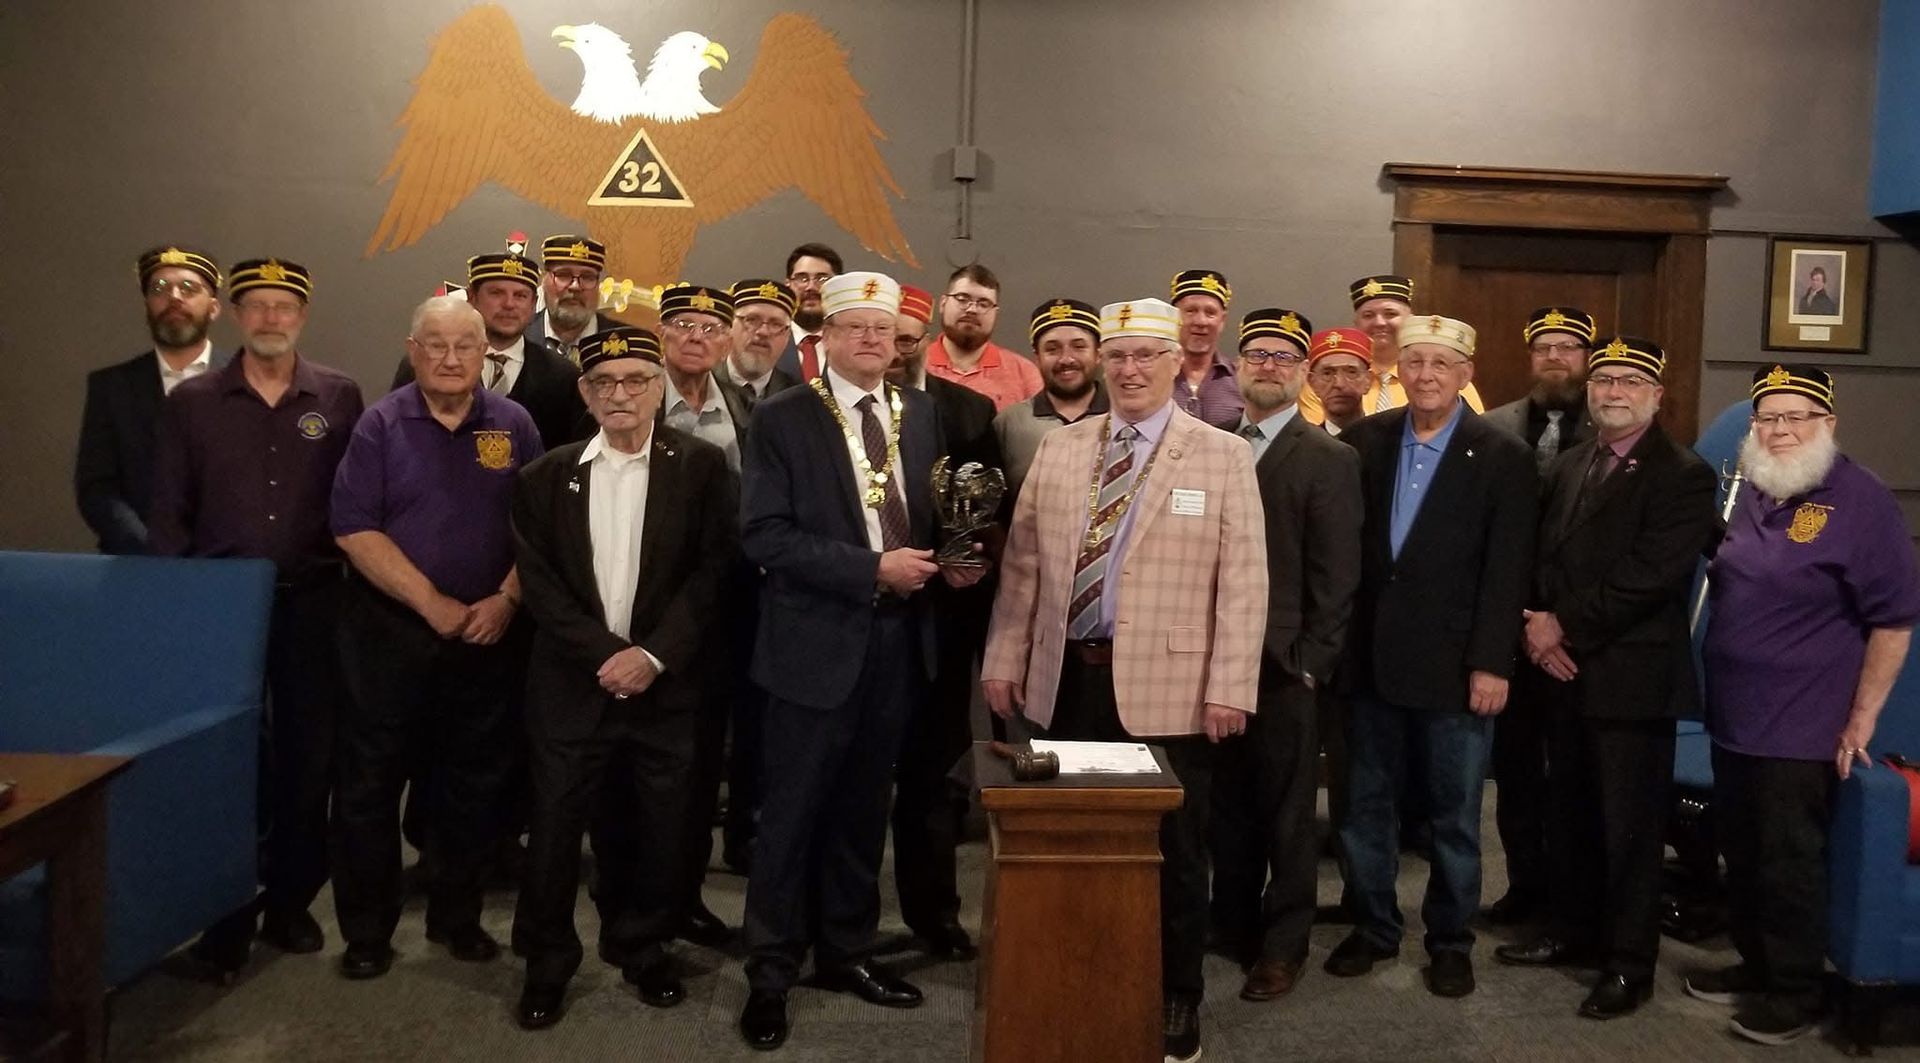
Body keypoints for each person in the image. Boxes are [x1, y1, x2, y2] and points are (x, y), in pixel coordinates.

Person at [982, 296, 1266, 1063]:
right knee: (1071, 838)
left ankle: (1177, 993)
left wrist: (1231, 684)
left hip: (1173, 690)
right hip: (1067, 678)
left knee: (1175, 852)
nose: (1130, 370)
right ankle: (1081, 973)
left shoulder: (1221, 454)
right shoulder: (1061, 447)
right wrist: (1003, 657)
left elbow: (1244, 582)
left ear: (1177, 363)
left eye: (1146, 355)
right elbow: (1023, 566)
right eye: (1118, 356)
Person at [735, 271, 986, 1051]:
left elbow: (931, 514)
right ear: (826, 338)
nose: (873, 340)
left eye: (884, 328)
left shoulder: (922, 413)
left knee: (861, 808)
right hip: (814, 641)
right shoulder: (783, 416)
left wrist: (956, 558)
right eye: (856, 327)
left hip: (900, 642)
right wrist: (870, 567)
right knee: (790, 814)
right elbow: (764, 534)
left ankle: (846, 948)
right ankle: (770, 970)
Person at [508, 326, 737, 1029]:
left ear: (658, 387)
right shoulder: (544, 476)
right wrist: (606, 654)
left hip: (664, 687)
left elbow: (713, 573)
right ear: (585, 392)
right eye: (604, 382)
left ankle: (641, 945)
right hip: (571, 686)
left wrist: (652, 656)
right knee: (553, 832)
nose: (620, 394)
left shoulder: (701, 468)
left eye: (636, 380)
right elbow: (540, 586)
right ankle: (547, 962)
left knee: (658, 828)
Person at [148, 256, 365, 974]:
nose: (272, 318)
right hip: (220, 606)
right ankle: (223, 914)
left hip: (313, 601)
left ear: (302, 315)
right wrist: (177, 610)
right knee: (227, 762)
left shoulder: (338, 395)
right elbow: (168, 512)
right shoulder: (194, 402)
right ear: (237, 315)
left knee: (308, 759)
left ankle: (290, 903)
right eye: (258, 305)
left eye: (285, 306)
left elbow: (356, 502)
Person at [1692, 364, 1920, 1045]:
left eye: (1797, 417)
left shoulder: (1861, 500)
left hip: (1802, 725)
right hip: (1734, 717)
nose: (1781, 429)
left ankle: (1795, 991)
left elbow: (1894, 620)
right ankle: (1757, 964)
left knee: (1788, 862)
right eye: (1769, 417)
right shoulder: (1755, 487)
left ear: (1828, 423)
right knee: (1743, 851)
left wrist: (1863, 718)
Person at [1493, 337, 1717, 1019]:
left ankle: (1627, 964)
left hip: (1631, 680)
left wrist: (1562, 626)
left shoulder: (1684, 474)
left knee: (1629, 832)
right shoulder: (1570, 462)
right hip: (1561, 673)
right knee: (1569, 816)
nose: (1614, 392)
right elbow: (1542, 556)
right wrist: (1535, 628)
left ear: (1657, 395)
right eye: (1604, 380)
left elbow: (1650, 576)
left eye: (1630, 381)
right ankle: (1573, 930)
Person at [328, 295, 544, 980]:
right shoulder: (380, 424)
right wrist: (432, 603)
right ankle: (367, 931)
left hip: (487, 635)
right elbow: (353, 526)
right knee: (369, 786)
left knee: (471, 786)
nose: (451, 359)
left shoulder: (514, 424)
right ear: (413, 350)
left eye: (465, 346)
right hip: (390, 635)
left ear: (485, 353)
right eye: (436, 345)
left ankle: (458, 917)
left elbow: (543, 528)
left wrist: (507, 598)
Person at [1325, 314, 1535, 1000]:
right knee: (1364, 807)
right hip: (1370, 663)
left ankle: (1450, 940)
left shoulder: (1502, 454)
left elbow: (1507, 570)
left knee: (1454, 815)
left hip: (1457, 669)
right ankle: (1373, 927)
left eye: (1441, 364)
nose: (1425, 376)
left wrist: (1493, 663)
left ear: (1465, 375)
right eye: (1415, 362)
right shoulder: (1365, 441)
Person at [1207, 308, 1363, 1002]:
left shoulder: (1329, 457)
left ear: (1303, 372)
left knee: (1289, 813)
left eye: (1282, 357)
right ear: (1238, 366)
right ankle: (1232, 921)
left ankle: (1284, 943)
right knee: (1226, 803)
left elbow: (1339, 573)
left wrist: (1311, 661)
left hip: (1284, 664)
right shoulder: (1210, 444)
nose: (1268, 366)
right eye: (1257, 354)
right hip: (1210, 658)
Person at [886, 283, 998, 960]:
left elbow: (983, 511)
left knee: (932, 781)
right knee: (851, 782)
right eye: (885, 337)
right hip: (858, 620)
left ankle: (935, 916)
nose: (896, 351)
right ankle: (841, 923)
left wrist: (969, 560)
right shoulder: (818, 411)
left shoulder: (968, 409)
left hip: (942, 626)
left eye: (907, 338)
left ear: (925, 339)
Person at [1479, 306, 1597, 926]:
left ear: (1587, 358)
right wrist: (1518, 618)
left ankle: (1570, 900)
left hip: (1579, 637)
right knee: (1516, 769)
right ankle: (1524, 886)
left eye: (1568, 347)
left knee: (1573, 776)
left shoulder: (1612, 428)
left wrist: (1558, 618)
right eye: (1544, 347)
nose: (1555, 357)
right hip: (1509, 626)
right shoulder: (1493, 427)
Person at [714, 278, 803, 872]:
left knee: (759, 714)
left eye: (775, 324)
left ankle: (747, 830)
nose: (762, 333)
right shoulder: (700, 386)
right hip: (709, 575)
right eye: (750, 320)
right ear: (731, 327)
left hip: (774, 580)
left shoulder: (803, 396)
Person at [78, 246, 228, 554]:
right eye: (159, 289)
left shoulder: (246, 382)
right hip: (135, 562)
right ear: (147, 305)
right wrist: (148, 551)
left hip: (227, 563)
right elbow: (97, 488)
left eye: (188, 288)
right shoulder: (111, 387)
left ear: (214, 308)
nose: (174, 297)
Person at [392, 251, 587, 451]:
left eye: (520, 296)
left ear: (533, 303)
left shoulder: (563, 376)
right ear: (471, 297)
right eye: (496, 293)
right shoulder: (425, 365)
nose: (509, 304)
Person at [1298, 276, 1484, 424]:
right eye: (1368, 315)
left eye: (1390, 314)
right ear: (1356, 324)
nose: (1379, 322)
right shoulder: (1327, 379)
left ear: (1410, 320)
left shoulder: (1445, 380)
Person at [993, 298, 1108, 496]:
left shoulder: (1126, 418)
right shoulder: (1009, 424)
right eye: (1052, 349)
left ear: (1098, 353)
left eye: (1079, 347)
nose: (1066, 359)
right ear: (1037, 357)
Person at [924, 264, 1042, 411]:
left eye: (983, 304)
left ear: (995, 313)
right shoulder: (916, 365)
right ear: (943, 304)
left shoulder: (1024, 373)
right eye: (962, 299)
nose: (972, 309)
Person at [1168, 268, 1244, 428]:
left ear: (1222, 320)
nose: (1200, 321)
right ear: (1173, 316)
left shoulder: (1241, 381)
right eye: (1190, 311)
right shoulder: (1152, 376)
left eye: (1210, 313)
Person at [524, 234, 610, 363]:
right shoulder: (518, 338)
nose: (575, 286)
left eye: (587, 277)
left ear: (598, 284)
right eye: (563, 275)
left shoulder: (625, 343)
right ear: (544, 281)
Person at [774, 242, 841, 381]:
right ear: (788, 285)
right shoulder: (770, 340)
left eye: (821, 279)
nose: (810, 287)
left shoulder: (851, 345)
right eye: (802, 278)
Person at [1303, 327, 1371, 437]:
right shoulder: (1303, 445)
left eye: (1351, 372)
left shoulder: (1391, 441)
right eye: (1327, 373)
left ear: (1368, 379)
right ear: (1312, 382)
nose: (1339, 384)